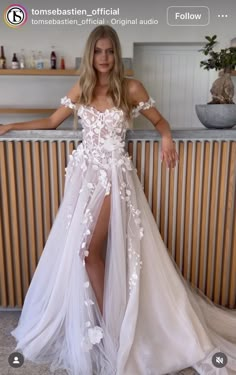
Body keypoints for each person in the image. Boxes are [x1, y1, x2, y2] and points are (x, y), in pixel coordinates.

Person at [1, 25, 236, 375]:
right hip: (84, 178)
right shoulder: (81, 88)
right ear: (90, 54)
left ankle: (113, 325)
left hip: (114, 176)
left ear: (116, 53)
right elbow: (51, 122)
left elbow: (159, 120)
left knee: (87, 250)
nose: (105, 58)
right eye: (98, 51)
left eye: (110, 51)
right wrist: (10, 127)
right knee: (84, 252)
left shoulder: (131, 87)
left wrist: (167, 137)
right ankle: (107, 318)